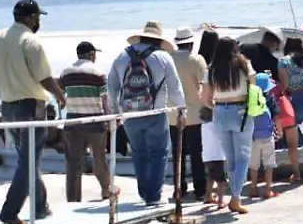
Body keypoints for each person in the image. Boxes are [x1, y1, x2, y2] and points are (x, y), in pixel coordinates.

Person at [0, 0, 67, 224]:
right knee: (29, 161)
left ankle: (40, 206)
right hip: (30, 106)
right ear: (31, 18)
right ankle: (10, 211)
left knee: (27, 160)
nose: (38, 21)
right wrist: (60, 95)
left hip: (7, 107)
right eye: (37, 17)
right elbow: (44, 77)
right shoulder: (31, 42)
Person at [108, 21, 185, 206]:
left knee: (138, 153)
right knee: (158, 153)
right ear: (158, 40)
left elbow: (112, 86)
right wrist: (182, 110)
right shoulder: (163, 57)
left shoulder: (121, 56)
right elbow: (175, 88)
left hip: (130, 116)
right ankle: (154, 196)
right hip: (155, 112)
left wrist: (115, 111)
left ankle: (144, 192)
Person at [200, 37, 254, 214]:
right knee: (243, 157)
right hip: (241, 111)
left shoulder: (212, 69)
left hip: (220, 112)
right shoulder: (243, 64)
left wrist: (218, 107)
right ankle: (236, 197)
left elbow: (205, 99)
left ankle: (235, 196)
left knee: (230, 159)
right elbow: (252, 88)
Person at [59, 40, 116, 202]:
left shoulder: (65, 72)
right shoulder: (98, 72)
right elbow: (105, 100)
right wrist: (109, 119)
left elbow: (61, 97)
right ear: (91, 54)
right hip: (94, 121)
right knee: (99, 158)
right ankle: (106, 190)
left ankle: (73, 198)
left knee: (73, 163)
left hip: (72, 121)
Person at [169, 27, 208, 201]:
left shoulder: (168, 59)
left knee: (178, 155)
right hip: (194, 113)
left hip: (173, 115)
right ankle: (200, 189)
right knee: (197, 154)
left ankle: (179, 188)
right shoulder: (197, 59)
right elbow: (205, 84)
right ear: (191, 43)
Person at [247, 72, 281, 200]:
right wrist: (279, 130)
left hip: (253, 137)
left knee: (254, 165)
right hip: (267, 135)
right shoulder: (270, 99)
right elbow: (277, 117)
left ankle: (253, 188)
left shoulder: (249, 100)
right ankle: (268, 190)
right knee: (269, 164)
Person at [200, 108, 228, 208]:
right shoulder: (216, 125)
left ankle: (208, 195)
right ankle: (221, 201)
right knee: (221, 180)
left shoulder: (203, 126)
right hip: (218, 156)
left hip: (207, 156)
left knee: (210, 176)